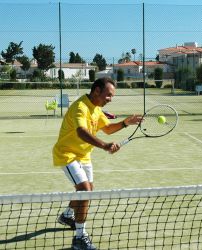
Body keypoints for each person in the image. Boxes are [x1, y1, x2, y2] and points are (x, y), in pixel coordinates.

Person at [52, 77, 142, 250]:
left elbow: (107, 129)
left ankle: (66, 215)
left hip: (84, 155)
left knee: (87, 191)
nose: (110, 99)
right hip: (67, 154)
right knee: (84, 190)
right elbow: (81, 132)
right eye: (108, 95)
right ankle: (79, 238)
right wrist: (104, 146)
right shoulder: (81, 107)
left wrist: (125, 123)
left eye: (112, 96)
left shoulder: (96, 109)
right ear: (97, 91)